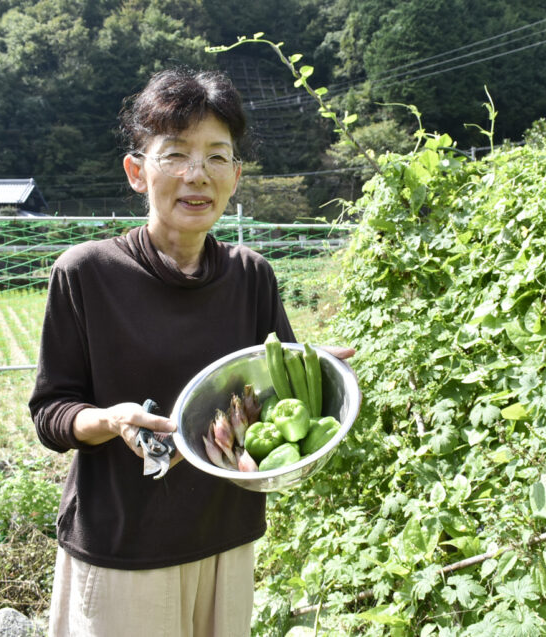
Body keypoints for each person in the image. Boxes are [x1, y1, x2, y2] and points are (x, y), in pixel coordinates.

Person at [30, 67, 352, 636]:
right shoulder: (87, 273)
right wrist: (110, 419)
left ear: (236, 175)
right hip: (124, 543)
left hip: (226, 536)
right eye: (175, 155)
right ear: (137, 171)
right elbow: (52, 411)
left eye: (217, 157)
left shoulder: (251, 275)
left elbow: (274, 405)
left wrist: (315, 372)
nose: (196, 175)